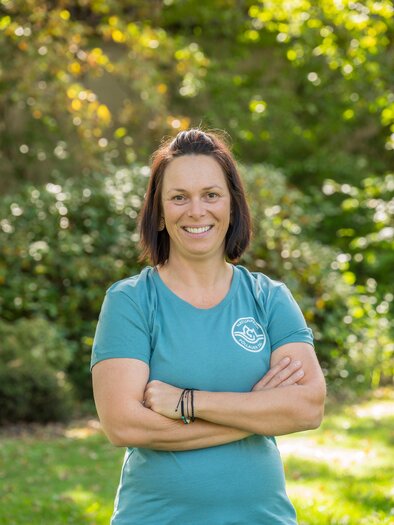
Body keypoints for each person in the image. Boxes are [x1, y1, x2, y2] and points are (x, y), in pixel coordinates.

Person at [91, 128, 326, 525]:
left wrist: (187, 402)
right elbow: (123, 423)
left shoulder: (268, 298)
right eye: (179, 197)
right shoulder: (130, 301)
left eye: (211, 195)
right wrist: (255, 413)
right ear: (160, 214)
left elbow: (308, 407)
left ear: (232, 206)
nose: (196, 210)